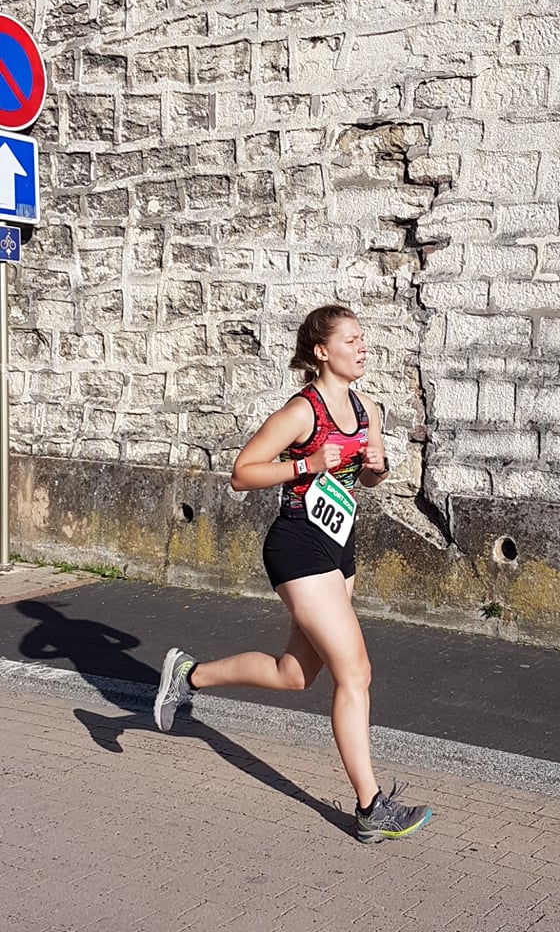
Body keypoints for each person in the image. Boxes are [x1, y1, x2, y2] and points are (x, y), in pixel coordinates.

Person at [154, 305, 432, 843]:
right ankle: (371, 808)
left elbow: (365, 480)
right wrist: (306, 464)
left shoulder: (368, 409)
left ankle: (188, 675)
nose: (363, 347)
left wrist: (376, 471)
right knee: (356, 673)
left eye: (363, 339)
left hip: (339, 543)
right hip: (298, 544)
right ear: (322, 351)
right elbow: (242, 473)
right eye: (351, 340)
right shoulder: (302, 412)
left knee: (295, 674)